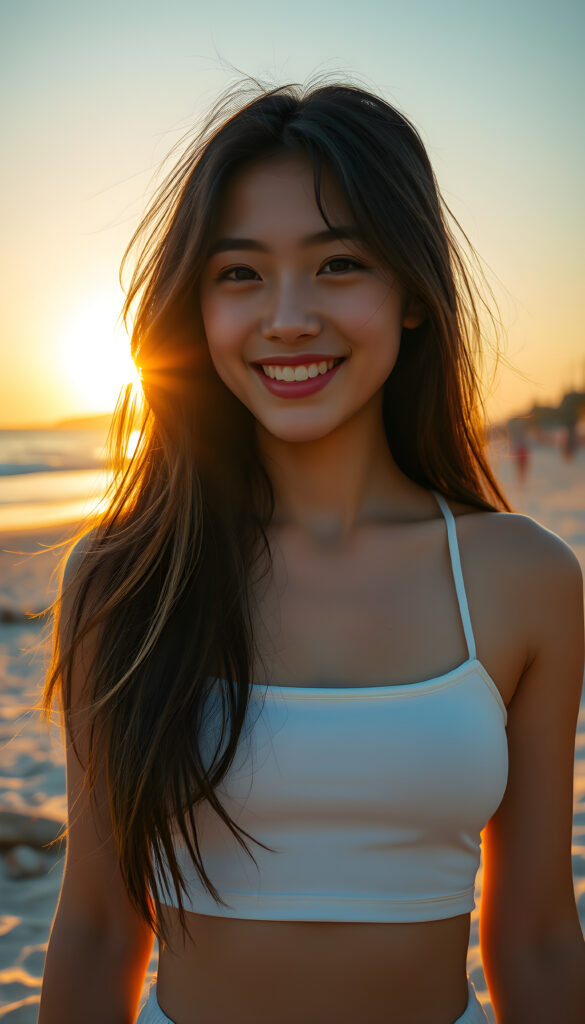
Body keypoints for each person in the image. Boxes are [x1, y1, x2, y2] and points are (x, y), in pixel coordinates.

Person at [38, 78, 585, 1024]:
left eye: (338, 265)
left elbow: (533, 934)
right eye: (239, 274)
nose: (287, 317)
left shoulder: (522, 578)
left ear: (412, 296)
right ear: (196, 312)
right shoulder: (125, 583)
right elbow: (94, 927)